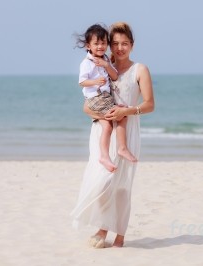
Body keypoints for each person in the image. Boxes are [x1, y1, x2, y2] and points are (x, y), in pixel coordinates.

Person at [71, 22, 155, 248]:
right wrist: (98, 114)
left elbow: (149, 105)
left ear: (132, 45)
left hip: (127, 132)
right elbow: (87, 106)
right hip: (102, 129)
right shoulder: (103, 67)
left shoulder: (140, 69)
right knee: (102, 182)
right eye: (115, 43)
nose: (119, 48)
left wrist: (126, 110)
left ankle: (119, 234)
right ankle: (102, 227)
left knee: (122, 186)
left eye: (124, 43)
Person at [77, 24, 137, 173]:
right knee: (122, 113)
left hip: (104, 98)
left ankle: (106, 155)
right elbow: (82, 82)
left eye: (103, 43)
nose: (100, 46)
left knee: (109, 126)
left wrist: (106, 64)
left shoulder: (105, 59)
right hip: (96, 98)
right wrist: (95, 82)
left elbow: (115, 76)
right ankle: (121, 148)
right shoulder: (87, 63)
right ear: (88, 46)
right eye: (96, 43)